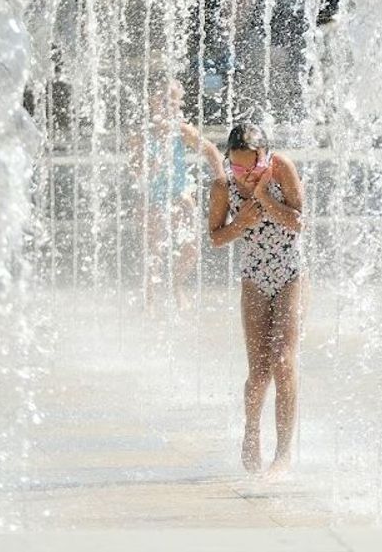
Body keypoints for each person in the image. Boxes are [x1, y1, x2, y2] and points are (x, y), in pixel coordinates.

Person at [207, 118, 305, 478]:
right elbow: (215, 237)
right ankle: (251, 433)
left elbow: (298, 221)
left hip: (290, 274)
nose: (246, 176)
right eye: (238, 168)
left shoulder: (282, 169)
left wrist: (265, 198)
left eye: (254, 167)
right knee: (259, 371)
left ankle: (283, 454)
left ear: (267, 155)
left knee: (283, 362)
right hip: (254, 278)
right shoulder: (223, 185)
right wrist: (240, 224)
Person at [132, 78, 224, 309]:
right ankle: (149, 301)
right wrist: (155, 161)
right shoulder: (141, 134)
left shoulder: (181, 130)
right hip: (151, 197)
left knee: (192, 248)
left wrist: (222, 180)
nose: (170, 106)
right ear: (151, 102)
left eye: (174, 101)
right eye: (164, 100)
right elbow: (137, 171)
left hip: (179, 195)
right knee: (153, 251)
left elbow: (211, 151)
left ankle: (176, 285)